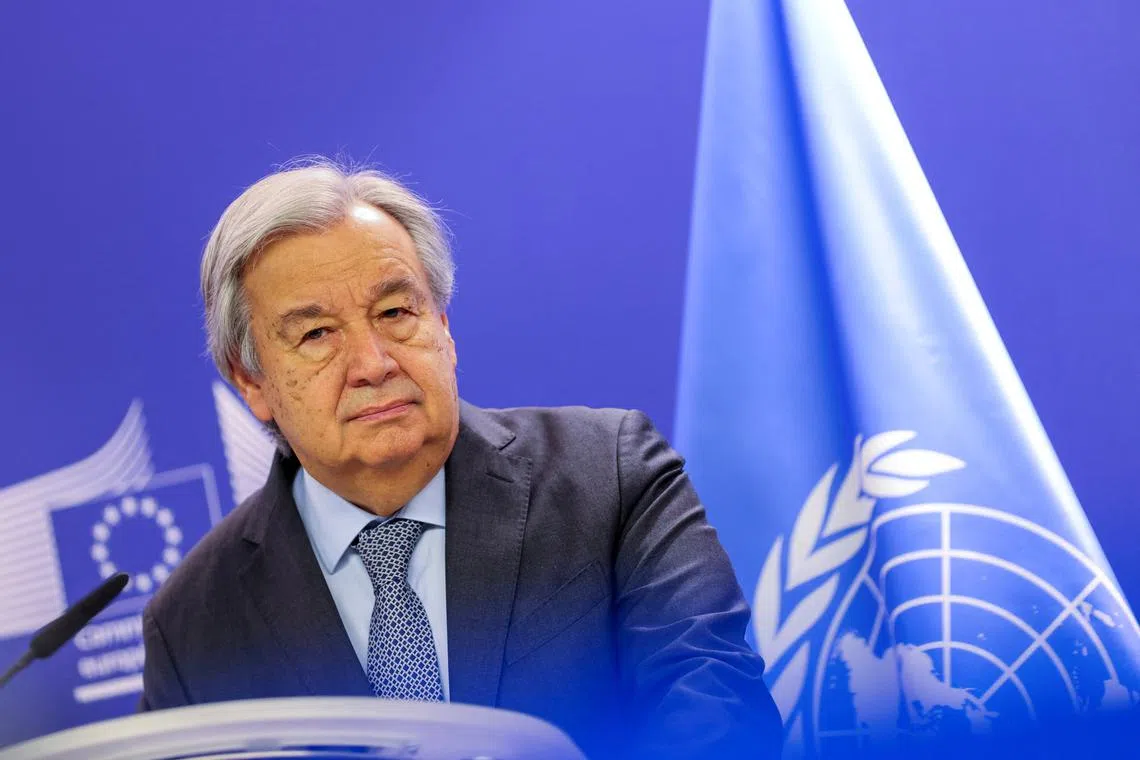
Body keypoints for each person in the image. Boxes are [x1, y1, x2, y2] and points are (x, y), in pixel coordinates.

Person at [140, 161, 782, 759]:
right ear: (251, 382)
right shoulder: (195, 621)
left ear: (444, 327)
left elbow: (719, 716)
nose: (373, 364)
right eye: (316, 334)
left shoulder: (610, 477)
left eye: (395, 312)